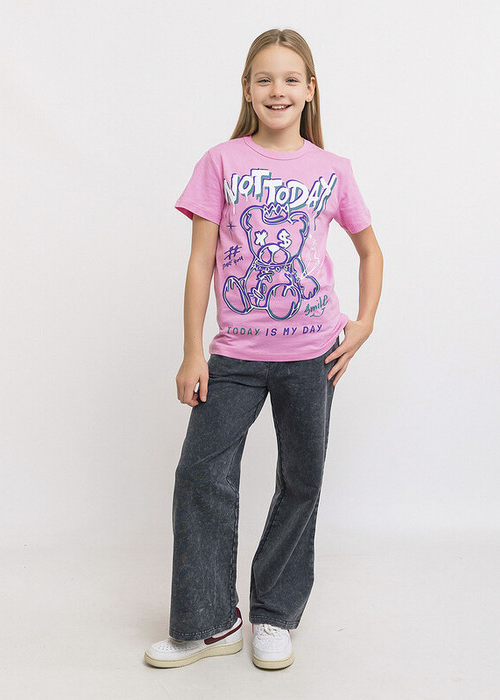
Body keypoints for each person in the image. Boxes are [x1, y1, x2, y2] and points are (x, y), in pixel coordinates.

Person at [144, 27, 383, 671]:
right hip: (235, 358)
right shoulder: (221, 162)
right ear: (247, 90)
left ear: (310, 91)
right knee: (201, 475)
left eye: (290, 79)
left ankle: (275, 614)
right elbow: (200, 263)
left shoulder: (333, 170)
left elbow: (370, 251)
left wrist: (362, 323)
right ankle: (210, 622)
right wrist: (193, 352)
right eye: (264, 79)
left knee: (301, 480)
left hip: (313, 356)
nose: (278, 90)